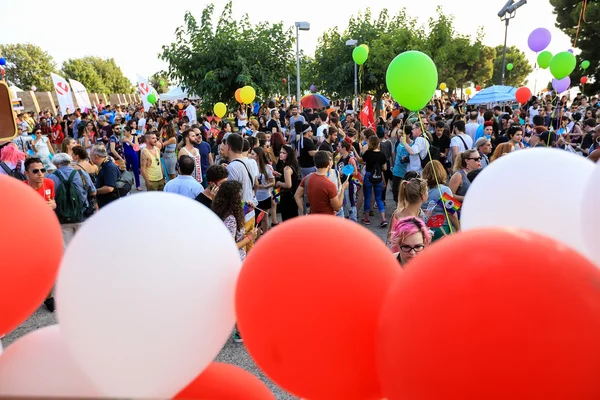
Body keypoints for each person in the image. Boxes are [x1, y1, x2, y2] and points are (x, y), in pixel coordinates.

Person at [48, 152, 97, 248]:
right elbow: (93, 192)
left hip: (62, 218)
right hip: (82, 216)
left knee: (67, 249)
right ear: (70, 162)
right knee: (84, 247)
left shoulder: (51, 178)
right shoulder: (82, 174)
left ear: (56, 165)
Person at [294, 150, 349, 215]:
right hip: (328, 220)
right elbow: (337, 208)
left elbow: (297, 195)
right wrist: (342, 189)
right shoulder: (330, 185)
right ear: (329, 163)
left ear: (315, 163)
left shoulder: (307, 178)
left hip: (314, 218)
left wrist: (305, 212)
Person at [421, 160, 460, 241]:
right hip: (440, 229)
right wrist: (458, 229)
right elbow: (451, 213)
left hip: (423, 229)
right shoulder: (444, 190)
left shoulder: (420, 189)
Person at [361, 136, 388, 227]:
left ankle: (367, 218)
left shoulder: (368, 153)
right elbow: (384, 168)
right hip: (378, 176)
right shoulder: (382, 154)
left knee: (367, 197)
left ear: (370, 143)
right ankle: (383, 219)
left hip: (369, 176)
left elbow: (361, 160)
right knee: (379, 198)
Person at [274, 144, 301, 221]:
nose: (281, 154)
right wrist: (280, 175)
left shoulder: (287, 168)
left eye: (284, 153)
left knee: (287, 219)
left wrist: (279, 183)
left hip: (287, 197)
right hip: (293, 196)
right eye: (281, 152)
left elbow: (288, 185)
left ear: (289, 154)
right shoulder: (293, 164)